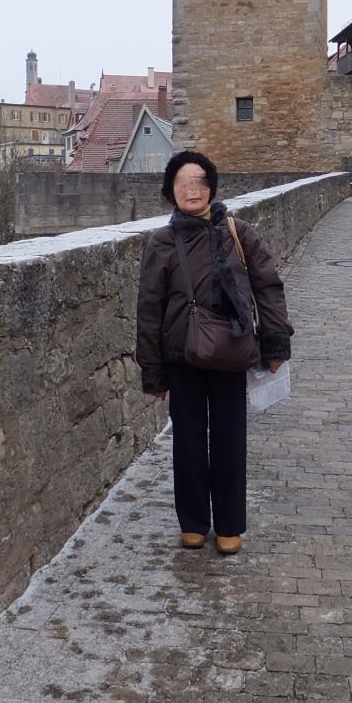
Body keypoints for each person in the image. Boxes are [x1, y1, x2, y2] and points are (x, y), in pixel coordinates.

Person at [135, 151, 292, 555]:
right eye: (183, 182)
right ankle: (192, 522)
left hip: (231, 350)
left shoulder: (239, 232)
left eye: (200, 181)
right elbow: (149, 308)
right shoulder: (161, 242)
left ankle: (228, 524)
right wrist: (152, 370)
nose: (192, 189)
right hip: (182, 355)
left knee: (229, 440)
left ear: (212, 187)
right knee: (188, 441)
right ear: (171, 191)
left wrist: (275, 342)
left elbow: (268, 287)